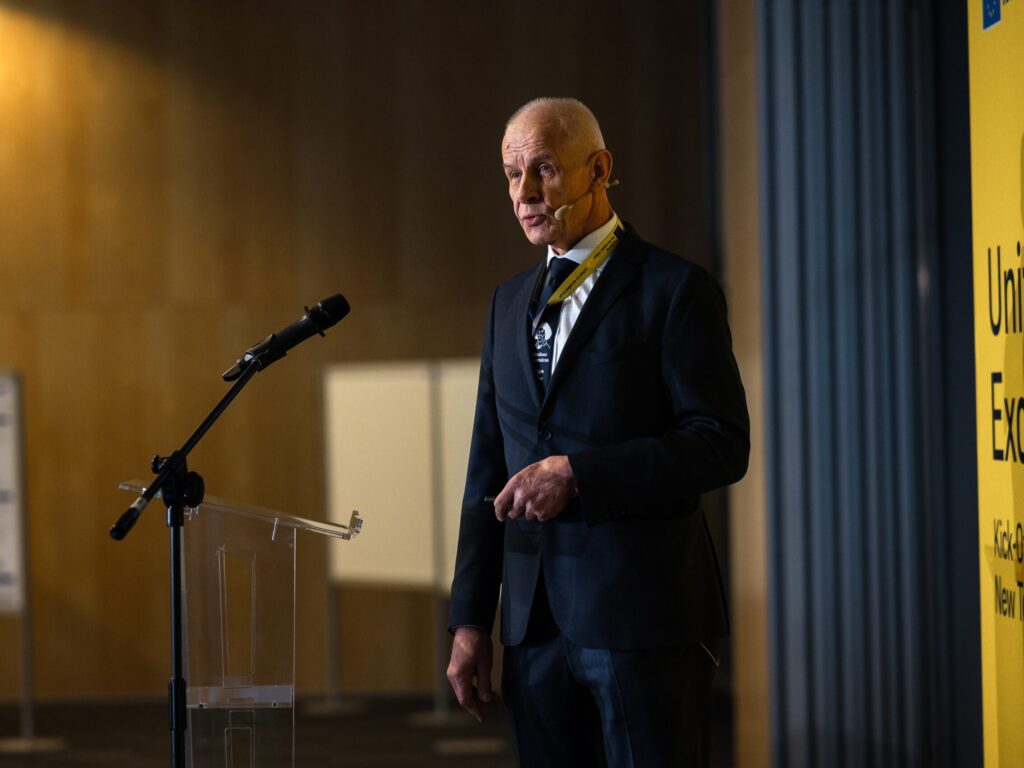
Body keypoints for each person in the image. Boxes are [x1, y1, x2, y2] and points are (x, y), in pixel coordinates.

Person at [447, 97, 749, 767]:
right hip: (534, 630)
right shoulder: (507, 303)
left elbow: (719, 443)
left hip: (644, 620)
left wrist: (579, 474)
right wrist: (469, 620)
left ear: (599, 169)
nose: (524, 193)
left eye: (544, 169)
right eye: (512, 174)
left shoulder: (674, 288)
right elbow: (486, 469)